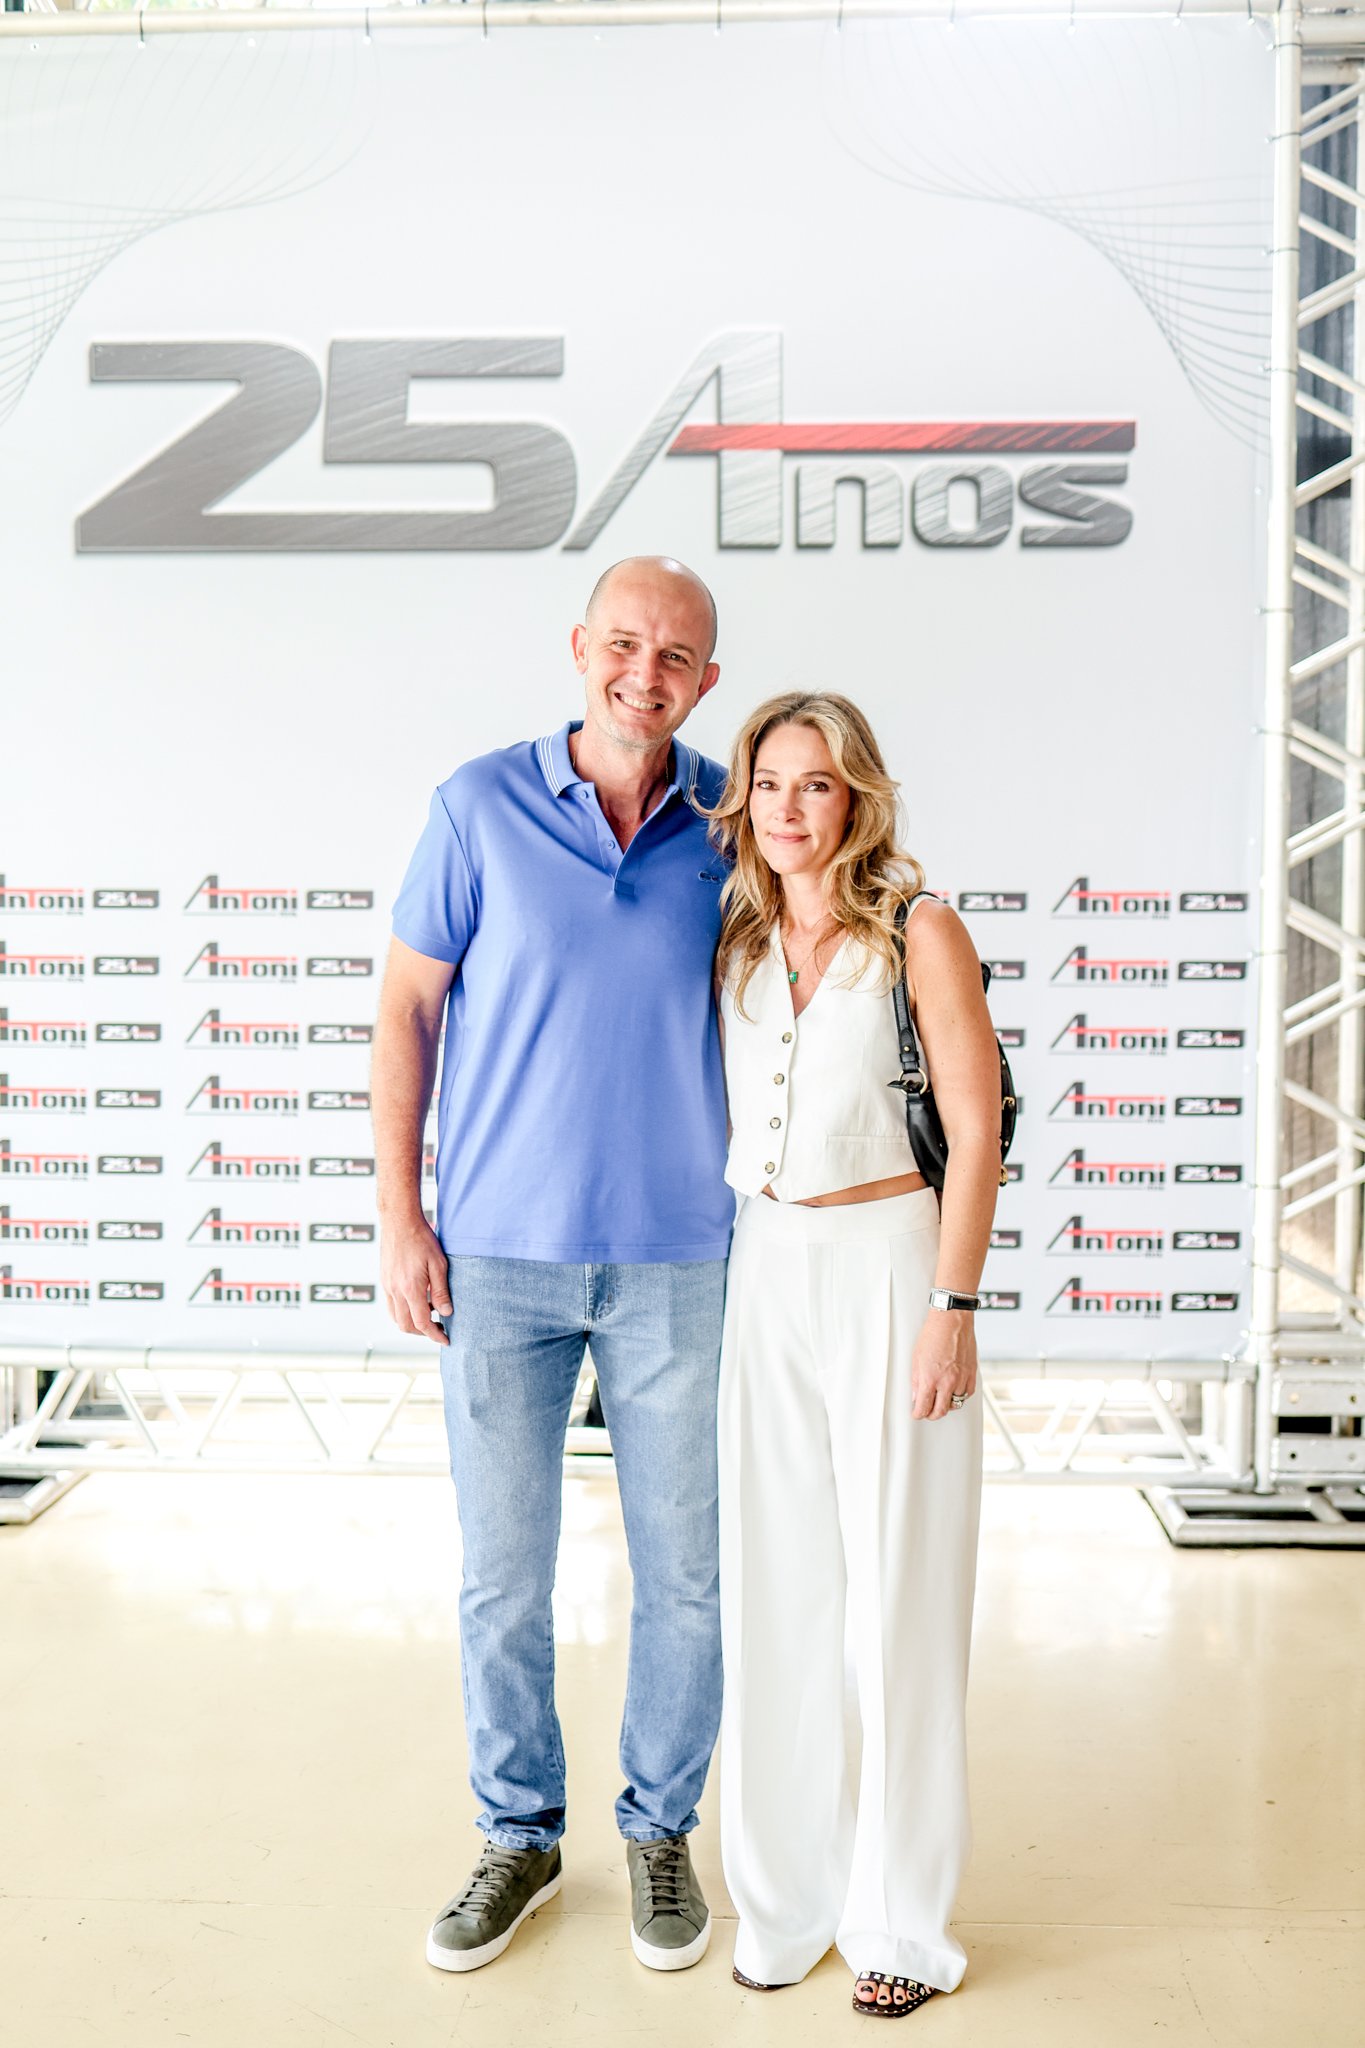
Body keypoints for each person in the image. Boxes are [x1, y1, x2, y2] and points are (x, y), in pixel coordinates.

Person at [371, 557, 732, 1976]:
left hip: (679, 1256)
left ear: (706, 679)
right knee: (503, 1581)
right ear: (580, 647)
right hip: (498, 1255)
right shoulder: (477, 807)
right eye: (625, 644)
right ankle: (518, 1837)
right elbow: (407, 1010)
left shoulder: (732, 822)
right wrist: (402, 1218)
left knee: (685, 1579)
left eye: (677, 655)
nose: (647, 673)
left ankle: (660, 1833)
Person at [706, 691, 1000, 2017]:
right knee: (775, 1590)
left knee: (900, 1599)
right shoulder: (737, 935)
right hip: (765, 1264)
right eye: (770, 782)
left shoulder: (918, 930)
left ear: (856, 798)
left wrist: (952, 1304)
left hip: (891, 1261)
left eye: (816, 784)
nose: (789, 807)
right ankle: (783, 1905)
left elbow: (976, 1132)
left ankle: (901, 1927)